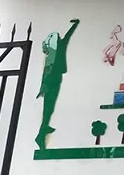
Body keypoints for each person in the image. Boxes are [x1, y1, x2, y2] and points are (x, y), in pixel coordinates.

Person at [35, 19, 79, 150]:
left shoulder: (52, 52)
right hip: (52, 81)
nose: (60, 38)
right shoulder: (55, 51)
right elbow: (45, 73)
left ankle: (43, 128)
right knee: (48, 108)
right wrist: (43, 87)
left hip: (54, 80)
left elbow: (45, 72)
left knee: (49, 108)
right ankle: (41, 134)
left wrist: (74, 24)